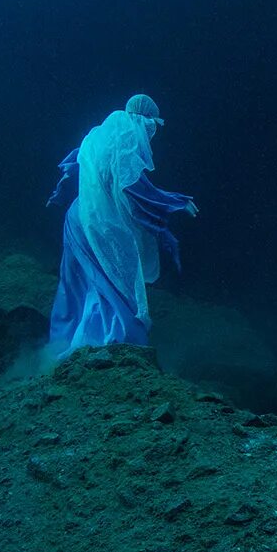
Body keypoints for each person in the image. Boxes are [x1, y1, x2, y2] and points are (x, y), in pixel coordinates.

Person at [46, 94, 197, 358]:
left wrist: (59, 191)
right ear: (144, 121)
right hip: (95, 224)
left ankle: (59, 345)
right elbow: (134, 188)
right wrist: (175, 202)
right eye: (151, 127)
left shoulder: (98, 134)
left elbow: (74, 162)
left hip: (76, 216)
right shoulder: (125, 140)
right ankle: (115, 343)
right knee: (113, 284)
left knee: (75, 284)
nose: (151, 134)